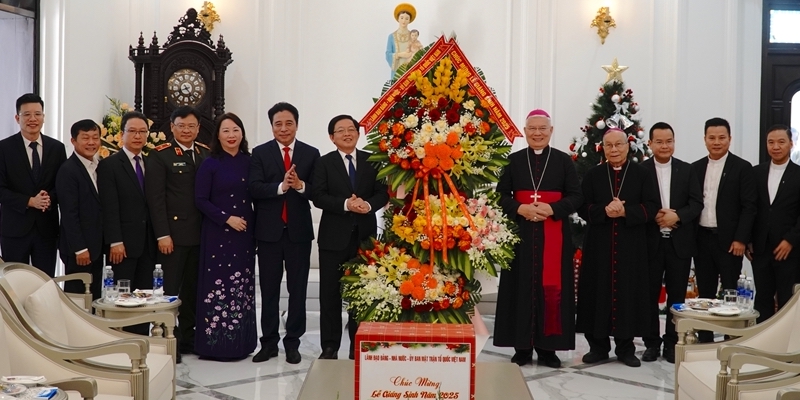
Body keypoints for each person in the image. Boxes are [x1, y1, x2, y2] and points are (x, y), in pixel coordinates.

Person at [493, 109, 583, 369]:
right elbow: (500, 195)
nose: (537, 133)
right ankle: (521, 347)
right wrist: (521, 208)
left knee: (551, 290)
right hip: (521, 234)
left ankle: (547, 349)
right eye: (532, 128)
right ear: (525, 131)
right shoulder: (514, 160)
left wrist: (552, 209)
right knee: (519, 287)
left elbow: (576, 196)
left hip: (552, 232)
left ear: (551, 131)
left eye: (543, 128)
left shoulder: (564, 161)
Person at [576, 127, 659, 368]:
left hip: (631, 247)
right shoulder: (593, 174)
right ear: (603, 147)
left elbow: (652, 206)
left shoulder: (642, 174)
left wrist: (625, 211)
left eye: (619, 144)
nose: (614, 149)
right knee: (597, 293)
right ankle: (598, 347)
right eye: (609, 145)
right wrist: (603, 210)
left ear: (627, 146)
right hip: (599, 247)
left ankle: (625, 348)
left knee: (628, 295)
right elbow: (583, 206)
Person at [312, 114, 389, 360]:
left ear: (358, 133)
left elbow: (382, 193)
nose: (347, 133)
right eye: (340, 130)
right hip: (333, 239)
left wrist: (367, 205)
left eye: (351, 129)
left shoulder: (371, 161)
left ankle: (358, 345)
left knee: (362, 293)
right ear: (332, 137)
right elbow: (318, 196)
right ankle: (330, 346)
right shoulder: (324, 163)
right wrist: (346, 204)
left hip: (364, 239)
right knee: (330, 295)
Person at [249, 102, 319, 364]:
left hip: (298, 234)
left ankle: (293, 342)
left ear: (297, 125)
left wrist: (300, 186)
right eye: (278, 123)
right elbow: (254, 188)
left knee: (297, 290)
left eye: (289, 123)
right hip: (268, 234)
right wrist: (280, 186)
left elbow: (318, 192)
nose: (283, 128)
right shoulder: (260, 153)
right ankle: (267, 343)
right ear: (272, 126)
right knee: (268, 291)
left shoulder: (311, 154)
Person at [146, 106, 211, 359]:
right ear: (172, 127)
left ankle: (188, 337)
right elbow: (156, 199)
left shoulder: (205, 153)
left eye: (191, 126)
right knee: (170, 290)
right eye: (181, 126)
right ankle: (167, 340)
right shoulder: (160, 156)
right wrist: (163, 234)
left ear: (198, 128)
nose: (186, 130)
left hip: (201, 235)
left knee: (193, 290)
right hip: (172, 236)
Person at [194, 113, 257, 361]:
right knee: (217, 287)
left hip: (244, 236)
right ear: (217, 135)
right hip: (217, 234)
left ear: (242, 133)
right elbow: (200, 200)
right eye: (226, 131)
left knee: (241, 288)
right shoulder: (209, 163)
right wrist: (225, 218)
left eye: (235, 130)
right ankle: (214, 344)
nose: (231, 135)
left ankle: (241, 343)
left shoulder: (250, 162)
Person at [640, 122, 703, 364]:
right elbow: (637, 204)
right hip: (651, 242)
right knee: (649, 295)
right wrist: (653, 215)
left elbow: (697, 203)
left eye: (669, 141)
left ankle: (671, 343)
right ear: (650, 144)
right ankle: (651, 344)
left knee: (677, 297)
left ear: (674, 143)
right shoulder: (642, 170)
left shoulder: (687, 171)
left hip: (680, 243)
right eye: (659, 141)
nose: (665, 146)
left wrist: (677, 216)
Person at [691, 117, 756, 342]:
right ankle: (705, 337)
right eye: (712, 138)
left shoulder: (742, 168)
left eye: (721, 138)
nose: (716, 142)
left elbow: (749, 207)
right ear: (705, 139)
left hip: (730, 242)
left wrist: (741, 239)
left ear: (729, 139)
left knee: (730, 292)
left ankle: (731, 337)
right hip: (702, 239)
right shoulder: (696, 168)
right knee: (706, 293)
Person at [98, 111, 157, 335]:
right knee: (122, 296)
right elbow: (109, 207)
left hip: (148, 243)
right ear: (122, 134)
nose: (137, 136)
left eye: (142, 131)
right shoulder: (110, 165)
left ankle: (141, 336)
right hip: (122, 245)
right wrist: (115, 241)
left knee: (144, 294)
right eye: (132, 131)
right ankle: (120, 337)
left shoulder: (150, 163)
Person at [0, 93, 66, 277]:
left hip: (47, 229)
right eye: (26, 114)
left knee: (44, 284)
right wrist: (29, 201)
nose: (32, 119)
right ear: (17, 118)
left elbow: (62, 185)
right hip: (14, 229)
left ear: (43, 117)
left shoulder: (57, 148)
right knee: (14, 283)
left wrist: (47, 200)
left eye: (37, 114)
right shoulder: (4, 149)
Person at [748, 124, 800, 322]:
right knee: (762, 298)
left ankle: (785, 347)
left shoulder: (798, 174)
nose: (775, 147)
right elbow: (750, 209)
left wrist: (790, 240)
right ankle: (762, 345)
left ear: (791, 144)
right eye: (771, 142)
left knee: (788, 299)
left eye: (781, 142)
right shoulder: (756, 173)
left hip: (789, 249)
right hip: (760, 248)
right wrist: (748, 240)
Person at [56, 119, 104, 300]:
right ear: (73, 141)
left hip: (96, 246)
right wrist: (79, 248)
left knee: (94, 297)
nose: (91, 143)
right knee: (77, 299)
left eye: (95, 137)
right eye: (85, 138)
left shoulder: (99, 166)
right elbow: (69, 213)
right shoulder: (68, 170)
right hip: (79, 249)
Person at [385, 3, 417, 76]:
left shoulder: (413, 36)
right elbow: (388, 54)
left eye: (406, 18)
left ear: (409, 20)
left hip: (410, 71)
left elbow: (417, 52)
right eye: (402, 18)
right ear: (398, 19)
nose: (404, 21)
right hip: (397, 72)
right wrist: (400, 55)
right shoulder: (391, 37)